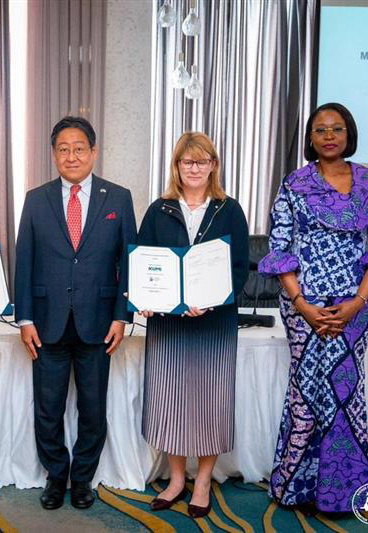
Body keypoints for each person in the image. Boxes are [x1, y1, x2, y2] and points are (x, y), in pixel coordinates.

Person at [259, 102, 368, 512]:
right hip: (302, 306)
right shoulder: (294, 183)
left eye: (336, 129)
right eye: (320, 130)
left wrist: (357, 302)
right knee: (305, 392)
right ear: (310, 138)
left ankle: (342, 493)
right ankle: (295, 486)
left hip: (355, 307)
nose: (328, 136)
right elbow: (279, 248)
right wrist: (302, 304)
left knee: (344, 392)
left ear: (348, 135)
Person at [14, 116, 137, 510]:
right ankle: (56, 476)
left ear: (94, 152)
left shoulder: (117, 198)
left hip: (99, 323)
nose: (71, 156)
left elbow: (128, 261)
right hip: (47, 323)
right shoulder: (36, 198)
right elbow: (25, 260)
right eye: (63, 149)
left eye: (79, 148)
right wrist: (25, 318)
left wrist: (122, 316)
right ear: (53, 154)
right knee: (47, 408)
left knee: (93, 408)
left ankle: (82, 479)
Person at [136, 132, 249, 518]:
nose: (195, 168)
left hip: (214, 325)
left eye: (202, 161)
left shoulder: (228, 209)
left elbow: (238, 269)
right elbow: (144, 264)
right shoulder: (159, 209)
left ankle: (203, 481)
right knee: (170, 401)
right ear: (177, 167)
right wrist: (147, 301)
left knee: (210, 402)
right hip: (169, 326)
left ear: (213, 165)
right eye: (188, 162)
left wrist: (211, 300)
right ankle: (177, 478)